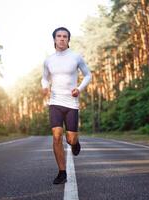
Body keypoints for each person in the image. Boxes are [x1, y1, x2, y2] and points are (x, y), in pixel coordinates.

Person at [41, 27, 92, 184]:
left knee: (70, 139)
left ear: (68, 40)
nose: (62, 38)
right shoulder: (48, 60)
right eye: (59, 36)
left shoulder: (75, 57)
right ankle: (62, 172)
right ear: (54, 39)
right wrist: (44, 86)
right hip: (55, 102)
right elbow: (44, 78)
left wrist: (79, 88)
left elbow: (88, 75)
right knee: (56, 136)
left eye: (65, 36)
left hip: (71, 103)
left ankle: (75, 143)